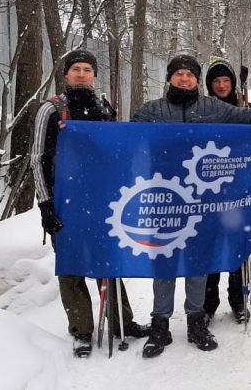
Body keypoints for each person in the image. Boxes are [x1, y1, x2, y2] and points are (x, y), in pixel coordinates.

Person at [131, 54, 251, 357]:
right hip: (164, 196)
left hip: (201, 198)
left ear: (196, 80)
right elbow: (122, 138)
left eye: (189, 75)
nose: (184, 79)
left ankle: (196, 318)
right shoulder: (151, 111)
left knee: (197, 260)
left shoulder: (211, 107)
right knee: (164, 260)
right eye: (178, 74)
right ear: (169, 78)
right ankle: (160, 323)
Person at [30, 49, 149, 358]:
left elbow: (116, 153)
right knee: (71, 267)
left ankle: (121, 320)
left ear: (94, 75)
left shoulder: (104, 108)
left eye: (87, 69)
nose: (82, 74)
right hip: (65, 203)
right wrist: (45, 205)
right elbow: (37, 159)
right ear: (66, 74)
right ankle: (82, 329)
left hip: (102, 201)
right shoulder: (51, 109)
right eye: (76, 69)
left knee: (109, 261)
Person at [203, 57, 251, 324]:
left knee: (237, 246)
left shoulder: (246, 107)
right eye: (217, 81)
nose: (222, 85)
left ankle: (238, 299)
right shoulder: (202, 110)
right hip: (209, 191)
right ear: (209, 85)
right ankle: (208, 303)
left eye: (226, 80)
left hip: (239, 190)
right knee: (210, 247)